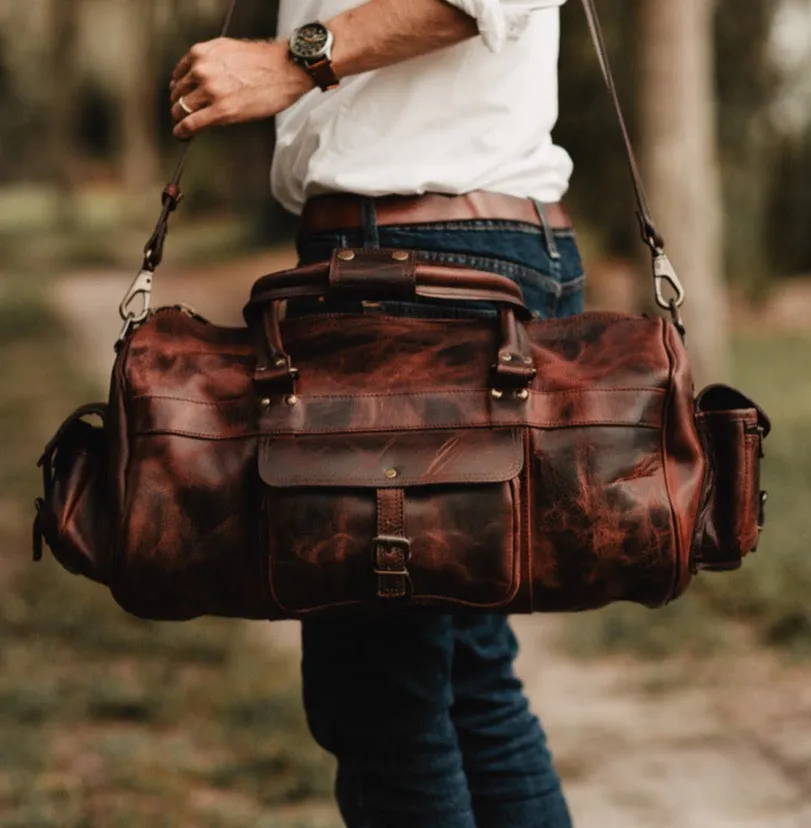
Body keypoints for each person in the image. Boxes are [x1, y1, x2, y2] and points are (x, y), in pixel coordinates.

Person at [170, 1, 580, 825]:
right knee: (466, 680)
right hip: (460, 251)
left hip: (407, 269)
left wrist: (293, 61)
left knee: (382, 699)